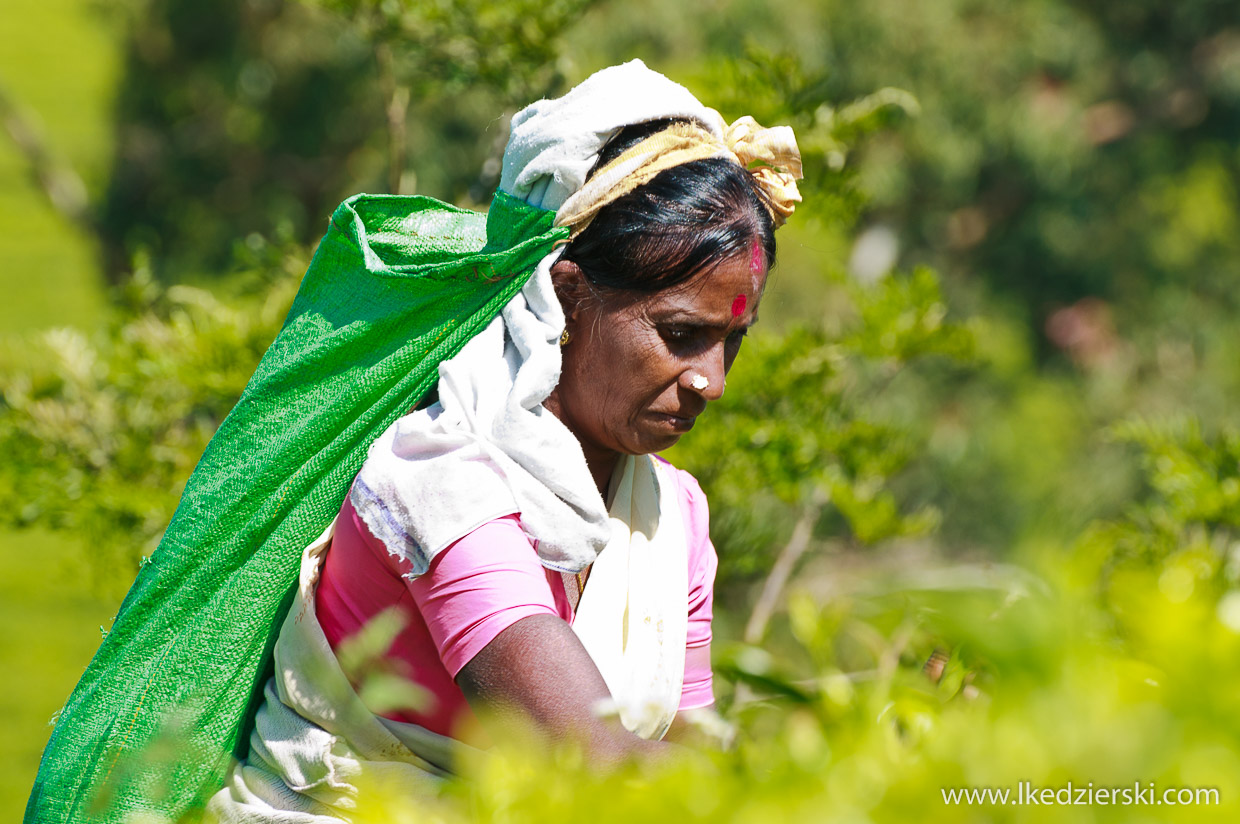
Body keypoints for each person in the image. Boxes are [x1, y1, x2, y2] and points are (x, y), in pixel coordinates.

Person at [199, 60, 801, 821]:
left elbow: (691, 750)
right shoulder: (439, 482)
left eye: (731, 342)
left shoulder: (673, 514)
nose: (710, 379)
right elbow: (597, 763)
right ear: (568, 296)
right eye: (681, 335)